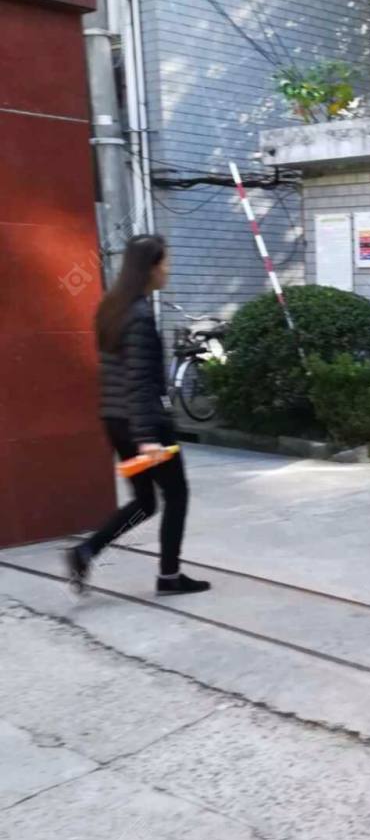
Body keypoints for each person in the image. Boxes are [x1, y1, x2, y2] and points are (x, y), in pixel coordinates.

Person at [67, 235, 210, 597]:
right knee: (176, 495)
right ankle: (169, 576)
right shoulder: (140, 316)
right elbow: (139, 382)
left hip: (117, 423)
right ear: (150, 268)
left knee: (145, 502)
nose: (168, 270)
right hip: (145, 426)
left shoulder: (112, 309)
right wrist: (147, 439)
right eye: (165, 263)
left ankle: (87, 550)